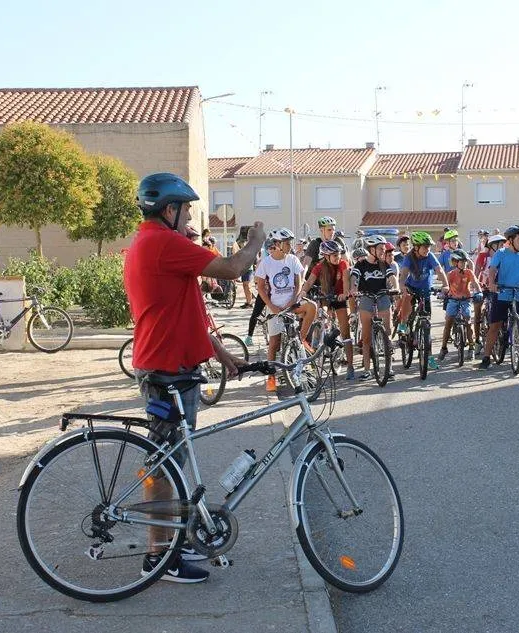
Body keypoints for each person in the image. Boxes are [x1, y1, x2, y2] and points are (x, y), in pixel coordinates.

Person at [124, 172, 264, 584]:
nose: (188, 219)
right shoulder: (163, 243)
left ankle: (173, 540)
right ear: (169, 210)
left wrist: (220, 353)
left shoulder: (152, 242)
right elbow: (233, 267)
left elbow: (181, 312)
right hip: (166, 369)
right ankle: (158, 558)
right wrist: (256, 240)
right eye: (185, 211)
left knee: (173, 460)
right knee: (163, 464)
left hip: (173, 366)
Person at [255, 228, 317, 391]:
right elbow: (260, 288)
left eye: (290, 243)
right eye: (287, 243)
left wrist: (292, 301)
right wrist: (272, 307)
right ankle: (271, 378)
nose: (290, 246)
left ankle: (301, 339)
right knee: (274, 343)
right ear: (277, 244)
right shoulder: (266, 262)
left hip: (292, 304)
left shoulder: (293, 259)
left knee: (312, 307)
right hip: (275, 306)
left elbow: (298, 283)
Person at [478, 225, 519, 369]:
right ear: (511, 240)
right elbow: (492, 269)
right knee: (495, 326)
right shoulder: (501, 253)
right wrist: (492, 283)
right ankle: (486, 357)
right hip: (502, 293)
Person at [298, 239, 354, 379]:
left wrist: (345, 293)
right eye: (334, 255)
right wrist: (303, 291)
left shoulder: (343, 264)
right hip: (326, 297)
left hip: (340, 297)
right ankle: (318, 344)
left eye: (339, 254)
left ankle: (350, 366)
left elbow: (346, 279)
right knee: (321, 318)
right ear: (326, 256)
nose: (338, 257)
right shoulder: (319, 266)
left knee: (345, 332)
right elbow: (309, 282)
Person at [398, 231, 448, 370]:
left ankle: (429, 358)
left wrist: (446, 285)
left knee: (427, 327)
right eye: (425, 247)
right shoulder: (409, 257)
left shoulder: (430, 256)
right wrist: (402, 286)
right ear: (416, 247)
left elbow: (439, 270)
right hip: (411, 288)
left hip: (425, 290)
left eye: (429, 246)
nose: (428, 249)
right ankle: (403, 325)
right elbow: (404, 275)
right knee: (407, 300)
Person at [350, 237, 398, 380]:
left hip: (382, 298)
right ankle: (367, 370)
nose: (384, 251)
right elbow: (354, 278)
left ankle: (389, 368)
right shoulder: (361, 264)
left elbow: (392, 277)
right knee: (366, 338)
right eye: (381, 249)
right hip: (366, 299)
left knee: (387, 332)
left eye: (384, 249)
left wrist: (395, 287)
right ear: (372, 250)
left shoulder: (384, 264)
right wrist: (353, 289)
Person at [438, 249, 481, 360]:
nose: (464, 263)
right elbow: (445, 286)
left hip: (466, 300)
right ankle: (443, 348)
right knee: (448, 322)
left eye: (465, 261)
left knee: (468, 321)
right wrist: (442, 293)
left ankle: (471, 347)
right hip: (453, 300)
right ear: (455, 262)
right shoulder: (451, 274)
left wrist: (479, 292)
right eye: (461, 261)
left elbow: (475, 283)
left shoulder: (469, 272)